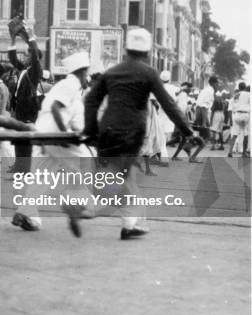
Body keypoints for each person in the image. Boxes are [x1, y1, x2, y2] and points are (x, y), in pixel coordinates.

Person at [82, 27, 192, 240]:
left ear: (126, 49)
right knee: (123, 177)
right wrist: (187, 130)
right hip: (131, 133)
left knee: (121, 176)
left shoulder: (111, 72)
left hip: (108, 132)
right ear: (147, 52)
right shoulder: (148, 73)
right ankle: (95, 209)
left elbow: (91, 100)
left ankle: (128, 223)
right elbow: (168, 104)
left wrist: (91, 130)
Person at [12, 52, 92, 234]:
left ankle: (25, 213)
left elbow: (73, 118)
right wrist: (64, 134)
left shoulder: (68, 87)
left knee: (41, 177)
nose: (88, 77)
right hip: (56, 136)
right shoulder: (71, 84)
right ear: (82, 72)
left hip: (44, 135)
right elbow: (56, 107)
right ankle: (77, 205)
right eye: (87, 72)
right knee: (86, 162)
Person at [7, 16, 42, 174]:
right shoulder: (24, 70)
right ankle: (19, 169)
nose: (26, 56)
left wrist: (31, 36)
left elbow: (34, 52)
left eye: (28, 55)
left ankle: (25, 172)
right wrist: (13, 39)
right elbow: (13, 58)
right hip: (19, 111)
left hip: (28, 112)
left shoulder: (35, 71)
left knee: (26, 144)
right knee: (19, 141)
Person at [227, 82, 250, 157]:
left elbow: (230, 108)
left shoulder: (235, 96)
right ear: (245, 87)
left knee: (234, 134)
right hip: (245, 115)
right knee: (246, 134)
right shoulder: (248, 94)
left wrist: (230, 119)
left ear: (239, 88)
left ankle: (230, 152)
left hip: (236, 115)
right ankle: (244, 153)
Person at [195, 75, 219, 142]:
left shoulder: (205, 89)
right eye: (217, 84)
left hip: (199, 112)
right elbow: (204, 106)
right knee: (206, 135)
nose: (218, 86)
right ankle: (190, 145)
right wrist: (204, 122)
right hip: (202, 113)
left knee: (203, 136)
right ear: (214, 83)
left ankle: (195, 144)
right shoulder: (210, 91)